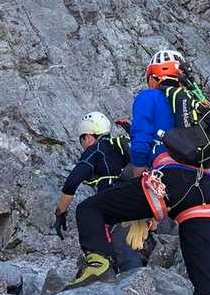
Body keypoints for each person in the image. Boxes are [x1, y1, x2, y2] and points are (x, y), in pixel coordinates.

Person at [68, 51, 210, 295]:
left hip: (168, 182)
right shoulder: (200, 106)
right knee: (205, 272)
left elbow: (140, 143)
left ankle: (98, 267)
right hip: (206, 190)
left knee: (89, 209)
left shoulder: (149, 97)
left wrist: (138, 174)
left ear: (154, 77)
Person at [53, 111, 143, 275]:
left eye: (82, 141)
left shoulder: (96, 150)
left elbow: (72, 182)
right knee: (130, 249)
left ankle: (100, 263)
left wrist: (60, 212)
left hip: (116, 204)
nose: (83, 146)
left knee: (85, 210)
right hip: (140, 202)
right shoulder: (122, 145)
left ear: (88, 137)